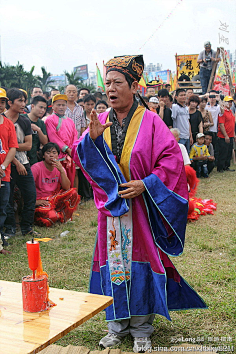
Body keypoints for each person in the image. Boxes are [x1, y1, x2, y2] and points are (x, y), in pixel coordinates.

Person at [72, 55, 207, 352]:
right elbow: (82, 156)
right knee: (114, 265)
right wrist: (91, 142)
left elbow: (171, 161)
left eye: (117, 82)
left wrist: (145, 184)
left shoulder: (151, 122)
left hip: (141, 210)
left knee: (141, 264)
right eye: (107, 83)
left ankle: (142, 328)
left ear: (134, 86)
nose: (110, 88)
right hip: (112, 212)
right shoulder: (100, 122)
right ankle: (116, 325)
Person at [3, 88, 38, 237]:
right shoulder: (2, 120)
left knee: (30, 195)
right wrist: (15, 159)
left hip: (24, 163)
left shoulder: (24, 120)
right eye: (20, 101)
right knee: (7, 199)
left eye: (24, 100)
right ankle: (10, 228)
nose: (24, 104)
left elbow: (28, 145)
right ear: (9, 103)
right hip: (6, 165)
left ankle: (27, 227)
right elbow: (3, 148)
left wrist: (12, 148)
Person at [31, 143, 79, 227]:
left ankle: (64, 217)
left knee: (73, 193)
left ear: (58, 155)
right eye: (48, 152)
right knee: (52, 217)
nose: (51, 155)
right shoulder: (36, 168)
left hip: (54, 198)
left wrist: (61, 171)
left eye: (54, 152)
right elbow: (27, 188)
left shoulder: (59, 167)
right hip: (41, 201)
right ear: (43, 155)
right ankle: (55, 216)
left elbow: (67, 187)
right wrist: (35, 201)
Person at [45, 94, 78, 187]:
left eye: (63, 105)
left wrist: (72, 149)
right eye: (58, 105)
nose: (61, 107)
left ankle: (71, 199)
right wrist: (67, 149)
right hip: (58, 155)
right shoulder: (50, 120)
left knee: (71, 177)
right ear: (53, 106)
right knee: (59, 180)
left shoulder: (70, 121)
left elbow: (74, 135)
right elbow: (53, 137)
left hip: (70, 155)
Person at [0, 88, 18, 254]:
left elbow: (12, 148)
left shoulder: (8, 124)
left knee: (2, 207)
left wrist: (4, 166)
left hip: (3, 173)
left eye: (2, 101)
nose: (0, 105)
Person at [24, 96, 48, 165]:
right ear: (32, 106)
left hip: (35, 159)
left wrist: (38, 130)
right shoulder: (22, 118)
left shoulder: (41, 123)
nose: (43, 110)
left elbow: (45, 142)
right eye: (40, 107)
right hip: (22, 157)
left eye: (44, 108)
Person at [217, 96, 236, 172]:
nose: (230, 103)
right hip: (223, 136)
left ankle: (226, 166)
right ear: (224, 103)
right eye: (228, 101)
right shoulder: (222, 112)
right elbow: (221, 124)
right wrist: (226, 136)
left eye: (231, 102)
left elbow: (232, 124)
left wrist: (233, 134)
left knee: (228, 152)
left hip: (230, 135)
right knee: (223, 152)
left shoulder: (230, 111)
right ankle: (220, 167)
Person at [171, 88, 193, 153]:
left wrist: (190, 135)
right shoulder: (175, 107)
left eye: (184, 95)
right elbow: (172, 120)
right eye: (181, 95)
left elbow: (188, 122)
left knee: (187, 155)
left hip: (187, 136)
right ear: (176, 97)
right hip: (180, 136)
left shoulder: (186, 108)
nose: (183, 97)